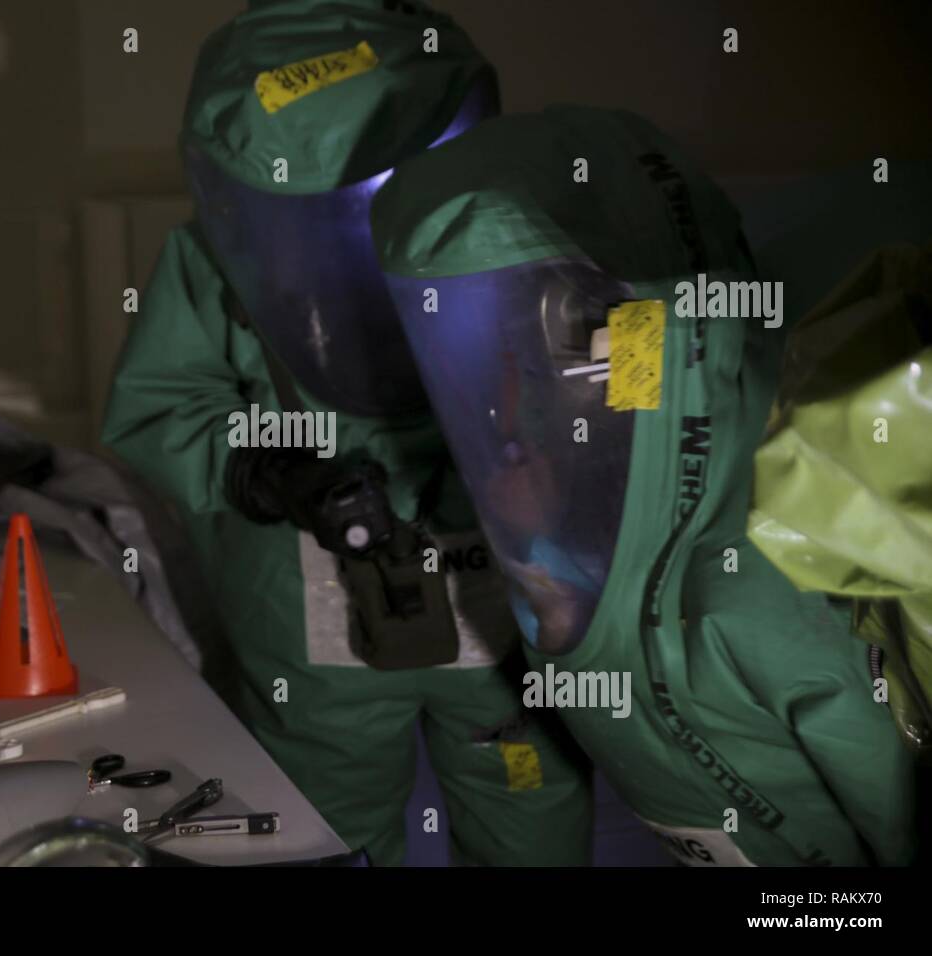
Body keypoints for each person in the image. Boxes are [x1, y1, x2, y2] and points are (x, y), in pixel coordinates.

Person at [102, 0, 592, 865]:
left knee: (527, 791)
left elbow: (589, 387)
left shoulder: (525, 231)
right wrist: (262, 469)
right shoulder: (213, 261)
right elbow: (160, 407)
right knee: (314, 823)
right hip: (311, 599)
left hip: (502, 592)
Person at [369, 105, 917, 865]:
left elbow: (891, 804)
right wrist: (539, 534)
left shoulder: (767, 587)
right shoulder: (603, 429)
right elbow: (609, 463)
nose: (511, 420)